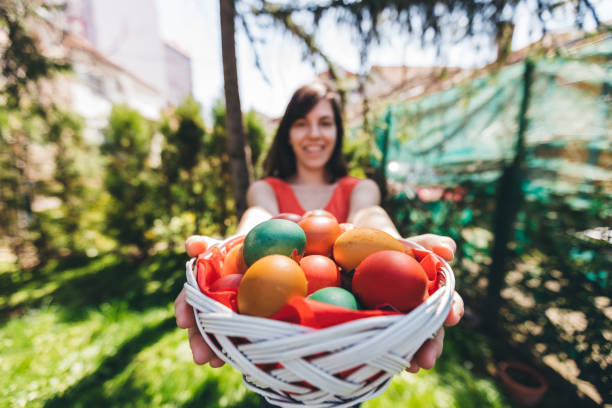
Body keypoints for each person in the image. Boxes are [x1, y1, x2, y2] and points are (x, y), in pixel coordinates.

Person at [174, 81, 464, 375]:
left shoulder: (359, 188)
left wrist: (398, 247)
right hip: (274, 351)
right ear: (287, 132)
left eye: (325, 123)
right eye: (301, 123)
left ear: (338, 132)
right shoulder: (266, 189)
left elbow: (370, 214)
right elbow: (258, 217)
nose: (314, 134)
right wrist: (230, 247)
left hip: (348, 355)